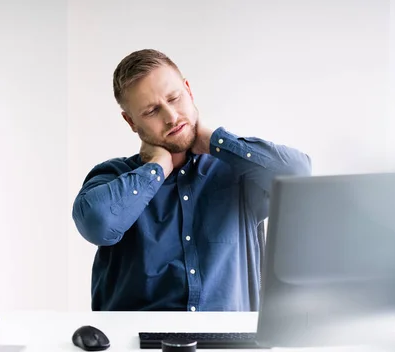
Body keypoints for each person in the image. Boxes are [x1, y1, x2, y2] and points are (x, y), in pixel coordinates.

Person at [72, 49, 312, 312]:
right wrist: (157, 168)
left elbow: (298, 175)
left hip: (228, 347)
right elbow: (98, 224)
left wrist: (215, 141)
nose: (171, 117)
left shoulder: (237, 172)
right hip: (135, 347)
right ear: (131, 121)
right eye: (152, 111)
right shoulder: (112, 177)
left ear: (188, 90)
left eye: (174, 98)